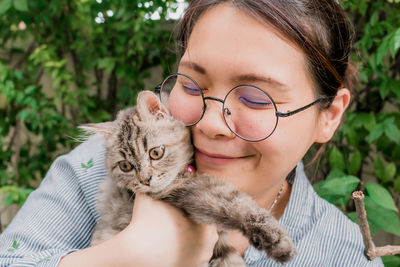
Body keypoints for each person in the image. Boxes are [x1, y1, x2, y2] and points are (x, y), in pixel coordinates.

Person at [0, 0, 384, 266]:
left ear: (329, 115)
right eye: (192, 86)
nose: (210, 124)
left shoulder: (341, 255)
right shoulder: (99, 169)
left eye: (254, 97)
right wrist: (116, 260)